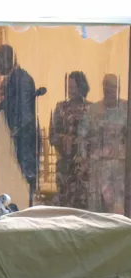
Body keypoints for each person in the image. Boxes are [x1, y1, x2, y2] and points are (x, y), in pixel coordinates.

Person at [0, 44, 39, 205]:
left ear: (6, 60)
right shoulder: (10, 80)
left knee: (24, 178)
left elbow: (26, 115)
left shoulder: (23, 80)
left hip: (23, 142)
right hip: (13, 140)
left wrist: (13, 134)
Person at [79, 74, 126, 214]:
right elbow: (82, 136)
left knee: (118, 205)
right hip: (97, 165)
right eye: (106, 86)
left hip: (120, 166)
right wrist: (83, 158)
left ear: (118, 88)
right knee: (97, 204)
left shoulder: (126, 109)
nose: (109, 90)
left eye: (112, 86)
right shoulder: (92, 110)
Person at [49, 71, 90, 209]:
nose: (71, 90)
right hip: (65, 162)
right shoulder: (61, 108)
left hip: (84, 164)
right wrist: (64, 139)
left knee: (82, 201)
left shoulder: (90, 109)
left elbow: (95, 136)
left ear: (82, 87)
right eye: (69, 87)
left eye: (74, 87)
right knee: (64, 200)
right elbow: (53, 135)